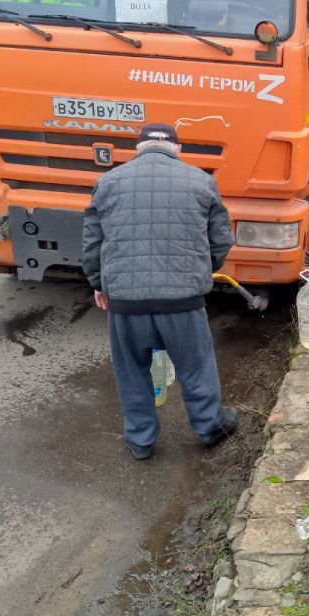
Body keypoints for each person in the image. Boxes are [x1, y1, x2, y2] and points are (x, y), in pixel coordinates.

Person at [82, 123, 237, 461]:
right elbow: (222, 239)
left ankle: (140, 440)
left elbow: (93, 242)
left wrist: (98, 282)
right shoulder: (201, 181)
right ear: (177, 149)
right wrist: (197, 271)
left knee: (131, 371)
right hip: (182, 302)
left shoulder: (107, 183)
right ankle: (210, 426)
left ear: (138, 149)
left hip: (125, 303)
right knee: (196, 367)